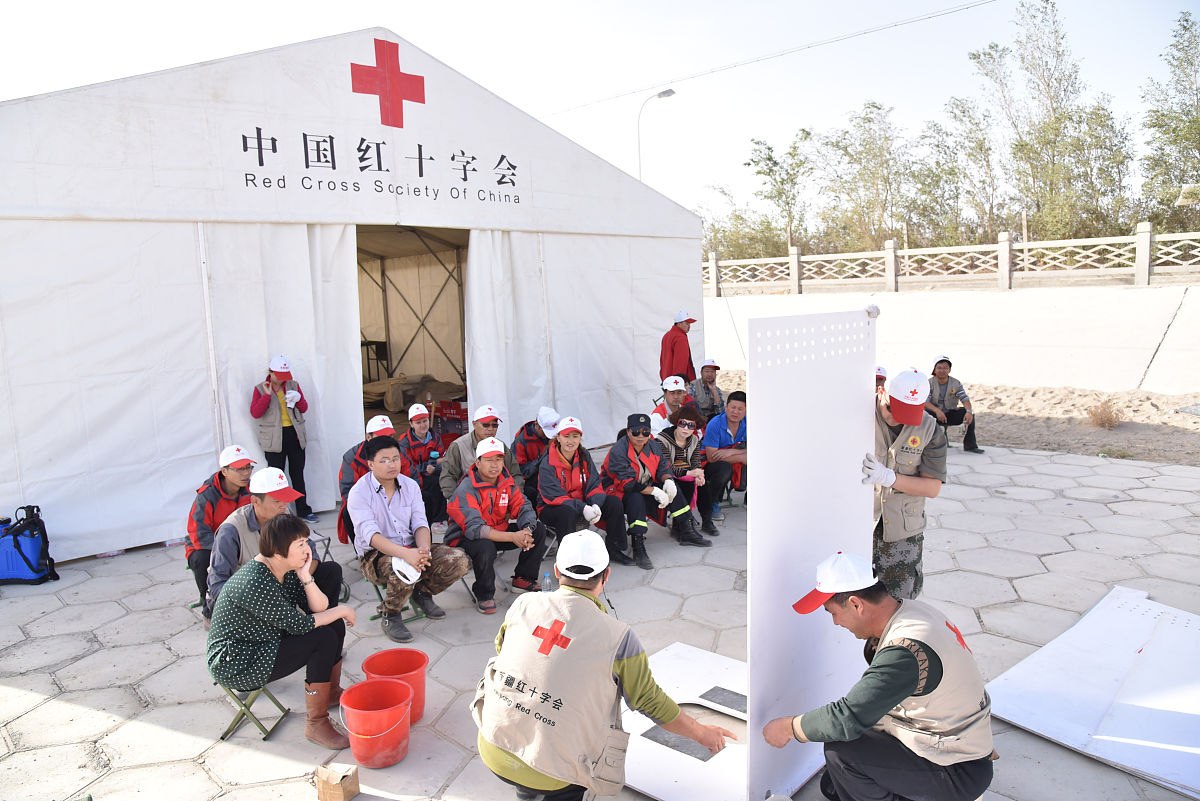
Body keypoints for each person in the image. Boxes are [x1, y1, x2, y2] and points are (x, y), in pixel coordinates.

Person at [473, 531, 733, 801]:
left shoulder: (524, 603)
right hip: (555, 774)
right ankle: (539, 785)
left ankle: (525, 789)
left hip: (493, 747)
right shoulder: (619, 638)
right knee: (570, 775)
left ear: (557, 571)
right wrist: (702, 733)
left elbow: (503, 649)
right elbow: (649, 701)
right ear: (606, 576)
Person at [763, 552, 994, 801]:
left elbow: (847, 718)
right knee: (834, 786)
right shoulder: (912, 613)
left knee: (842, 753)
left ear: (855, 604)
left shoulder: (906, 651)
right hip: (952, 749)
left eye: (832, 613)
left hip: (957, 769)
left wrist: (789, 728)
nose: (835, 623)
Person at [207, 513, 357, 750]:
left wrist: (306, 576)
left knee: (333, 625)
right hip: (238, 661)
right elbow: (301, 625)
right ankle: (316, 724)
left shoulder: (283, 569)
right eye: (300, 545)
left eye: (307, 542)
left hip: (262, 639)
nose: (307, 550)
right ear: (278, 552)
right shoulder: (256, 581)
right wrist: (343, 610)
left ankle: (329, 693)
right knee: (323, 636)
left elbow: (320, 608)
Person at [348, 435, 470, 643]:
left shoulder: (410, 486)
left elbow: (421, 524)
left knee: (459, 560)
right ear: (370, 464)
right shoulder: (359, 492)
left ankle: (421, 592)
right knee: (402, 565)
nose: (392, 464)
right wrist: (408, 555)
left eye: (395, 458)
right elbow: (371, 536)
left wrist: (423, 552)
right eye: (384, 460)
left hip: (412, 547)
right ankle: (391, 614)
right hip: (375, 555)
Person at [206, 467, 342, 618]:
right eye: (277, 500)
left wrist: (302, 577)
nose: (283, 505)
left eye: (286, 499)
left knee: (331, 570)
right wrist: (264, 595)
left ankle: (317, 619)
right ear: (255, 501)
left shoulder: (283, 513)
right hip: (251, 600)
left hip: (284, 587)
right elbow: (217, 586)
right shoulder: (231, 530)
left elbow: (311, 551)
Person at [863, 368, 946, 600]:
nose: (896, 418)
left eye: (906, 413)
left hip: (902, 534)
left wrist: (891, 478)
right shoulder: (859, 415)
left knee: (900, 604)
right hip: (859, 527)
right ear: (882, 392)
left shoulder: (929, 429)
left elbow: (932, 488)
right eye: (891, 409)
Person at [446, 437, 549, 615]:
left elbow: (523, 507)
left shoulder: (506, 482)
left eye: (498, 459)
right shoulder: (466, 488)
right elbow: (476, 529)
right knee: (485, 546)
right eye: (488, 460)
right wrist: (513, 537)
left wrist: (526, 530)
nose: (494, 465)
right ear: (477, 462)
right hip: (464, 538)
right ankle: (484, 593)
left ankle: (523, 579)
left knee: (538, 530)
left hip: (497, 531)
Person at [604, 413, 710, 571]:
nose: (641, 436)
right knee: (636, 498)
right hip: (618, 491)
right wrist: (654, 491)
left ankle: (685, 529)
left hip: (643, 484)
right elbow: (627, 484)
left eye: (645, 432)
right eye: (636, 432)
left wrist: (668, 480)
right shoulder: (618, 450)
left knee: (673, 487)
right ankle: (638, 544)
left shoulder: (653, 445)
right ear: (628, 432)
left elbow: (663, 467)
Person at [536, 417, 629, 565]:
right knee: (566, 513)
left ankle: (614, 549)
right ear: (558, 437)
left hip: (582, 503)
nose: (570, 441)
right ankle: (568, 563)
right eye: (566, 436)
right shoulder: (548, 462)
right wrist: (583, 507)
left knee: (613, 503)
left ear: (580, 438)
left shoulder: (584, 455)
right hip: (551, 507)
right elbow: (554, 496)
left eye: (575, 436)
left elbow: (594, 483)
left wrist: (596, 504)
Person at [186, 445, 255, 616]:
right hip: (209, 545)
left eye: (248, 467)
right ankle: (209, 604)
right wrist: (226, 547)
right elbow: (198, 533)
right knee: (202, 557)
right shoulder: (207, 495)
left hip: (242, 541)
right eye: (239, 469)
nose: (246, 473)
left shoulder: (252, 490)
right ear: (224, 471)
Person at [250, 354, 318, 522]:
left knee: (298, 474)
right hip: (274, 439)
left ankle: (303, 510)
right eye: (279, 376)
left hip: (294, 435)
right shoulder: (260, 388)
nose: (282, 380)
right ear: (271, 372)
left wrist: (298, 399)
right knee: (276, 478)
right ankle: (279, 513)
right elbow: (255, 413)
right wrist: (266, 396)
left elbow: (304, 408)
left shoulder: (293, 385)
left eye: (284, 376)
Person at [654, 406, 719, 537]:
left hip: (686, 475)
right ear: (676, 422)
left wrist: (699, 474)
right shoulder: (662, 439)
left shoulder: (694, 440)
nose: (686, 428)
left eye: (691, 425)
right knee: (687, 484)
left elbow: (695, 461)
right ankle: (680, 525)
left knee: (703, 485)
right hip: (665, 477)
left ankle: (707, 520)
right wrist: (690, 474)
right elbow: (665, 467)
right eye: (682, 423)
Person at [335, 414, 396, 545]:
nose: (386, 441)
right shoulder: (351, 457)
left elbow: (411, 478)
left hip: (395, 496)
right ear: (368, 437)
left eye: (390, 437)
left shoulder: (396, 451)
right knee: (347, 511)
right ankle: (362, 551)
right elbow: (347, 490)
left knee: (425, 498)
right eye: (381, 437)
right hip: (366, 501)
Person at [441, 405, 523, 500]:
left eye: (494, 425)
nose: (490, 429)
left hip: (498, 503)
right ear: (474, 424)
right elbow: (447, 477)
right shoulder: (458, 446)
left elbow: (515, 475)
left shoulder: (501, 446)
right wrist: (457, 501)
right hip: (468, 501)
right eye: (486, 425)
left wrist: (515, 498)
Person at [396, 403, 449, 528]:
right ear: (411, 424)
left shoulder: (435, 437)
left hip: (432, 473)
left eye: (425, 421)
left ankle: (440, 519)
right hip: (414, 477)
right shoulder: (405, 442)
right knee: (428, 487)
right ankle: (427, 519)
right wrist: (425, 468)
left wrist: (435, 467)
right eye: (418, 422)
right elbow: (406, 466)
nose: (422, 425)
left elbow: (443, 459)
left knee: (441, 481)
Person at [702, 390, 747, 523]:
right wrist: (741, 456)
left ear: (745, 410)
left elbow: (759, 448)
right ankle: (713, 502)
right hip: (711, 464)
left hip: (731, 455)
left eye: (740, 409)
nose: (736, 412)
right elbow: (711, 457)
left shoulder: (749, 422)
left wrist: (732, 452)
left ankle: (750, 497)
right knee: (724, 469)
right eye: (733, 407)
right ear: (726, 407)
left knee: (760, 460)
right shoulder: (715, 424)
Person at [926, 356, 984, 454]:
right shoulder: (929, 383)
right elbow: (925, 401)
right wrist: (937, 411)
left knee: (970, 415)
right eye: (939, 368)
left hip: (950, 413)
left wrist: (969, 411)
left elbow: (964, 398)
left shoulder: (956, 383)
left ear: (949, 370)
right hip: (934, 414)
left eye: (945, 368)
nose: (942, 370)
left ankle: (970, 446)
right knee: (924, 414)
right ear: (935, 369)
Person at [512, 406, 560, 504]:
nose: (550, 436)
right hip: (532, 482)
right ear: (537, 425)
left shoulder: (558, 436)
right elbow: (520, 471)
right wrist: (544, 456)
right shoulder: (521, 441)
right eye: (547, 432)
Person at [659, 310, 697, 383]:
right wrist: (679, 382)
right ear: (679, 323)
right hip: (678, 382)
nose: (689, 326)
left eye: (689, 323)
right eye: (687, 323)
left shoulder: (666, 335)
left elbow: (663, 360)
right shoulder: (681, 337)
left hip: (667, 378)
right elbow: (681, 363)